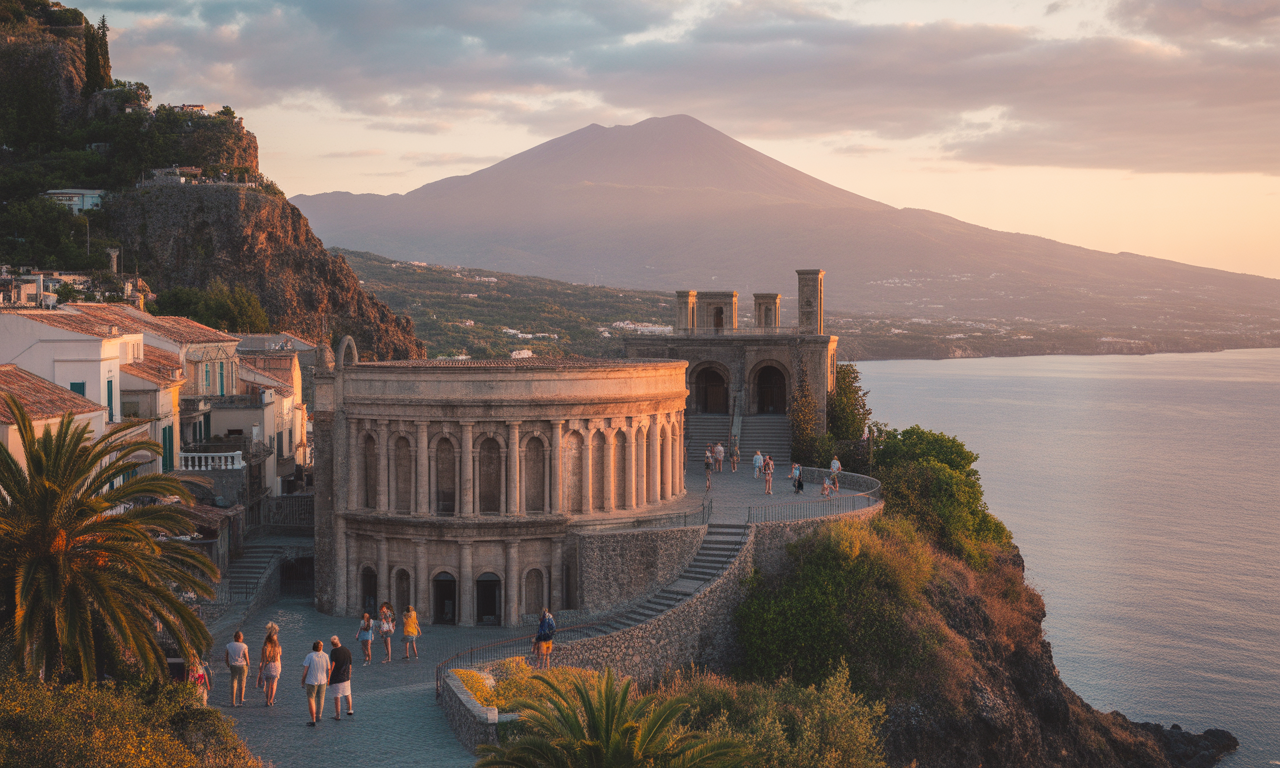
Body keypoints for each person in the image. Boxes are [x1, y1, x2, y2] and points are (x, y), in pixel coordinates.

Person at [301, 639, 331, 726]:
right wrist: (329, 680)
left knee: (311, 698)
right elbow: (329, 669)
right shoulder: (326, 656)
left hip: (311, 681)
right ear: (321, 647)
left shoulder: (310, 656)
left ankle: (313, 719)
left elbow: (305, 671)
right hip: (323, 680)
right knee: (321, 699)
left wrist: (302, 681)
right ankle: (319, 716)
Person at [256, 622, 282, 707]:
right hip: (277, 665)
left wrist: (260, 672)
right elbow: (279, 656)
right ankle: (271, 701)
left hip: (268, 666)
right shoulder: (278, 647)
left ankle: (267, 701)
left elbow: (263, 660)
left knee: (267, 684)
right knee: (274, 684)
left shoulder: (265, 647)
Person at [328, 636, 354, 720]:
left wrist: (329, 677)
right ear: (339, 641)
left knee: (337, 696)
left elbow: (333, 665)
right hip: (346, 675)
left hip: (336, 676)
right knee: (348, 693)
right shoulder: (347, 650)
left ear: (332, 644)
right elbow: (350, 664)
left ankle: (337, 715)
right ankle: (350, 709)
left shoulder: (333, 652)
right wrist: (349, 675)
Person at [225, 631, 250, 707]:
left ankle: (233, 702)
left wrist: (228, 664)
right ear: (241, 638)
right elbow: (246, 657)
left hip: (233, 665)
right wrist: (248, 664)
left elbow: (226, 656)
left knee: (234, 682)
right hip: (242, 665)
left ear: (234, 637)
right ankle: (240, 701)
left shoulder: (229, 645)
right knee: (242, 683)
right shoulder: (244, 646)